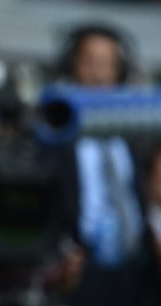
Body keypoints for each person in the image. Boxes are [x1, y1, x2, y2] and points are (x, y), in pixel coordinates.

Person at [53, 23, 160, 306]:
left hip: (135, 272)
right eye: (90, 63)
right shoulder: (56, 134)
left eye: (107, 65)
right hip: (80, 271)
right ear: (71, 66)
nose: (98, 75)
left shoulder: (136, 132)